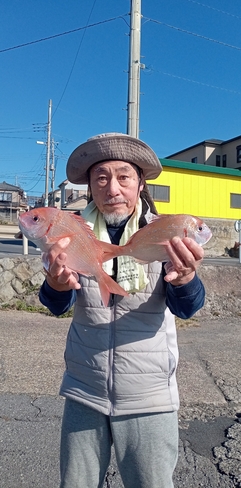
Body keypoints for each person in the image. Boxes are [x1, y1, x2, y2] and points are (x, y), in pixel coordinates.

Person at [39, 133, 205, 488]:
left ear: (140, 183)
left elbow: (188, 307)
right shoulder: (70, 232)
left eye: (124, 177)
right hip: (85, 390)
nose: (112, 188)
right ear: (90, 186)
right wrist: (56, 282)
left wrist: (185, 278)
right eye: (101, 178)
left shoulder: (163, 233)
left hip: (149, 396)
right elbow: (57, 304)